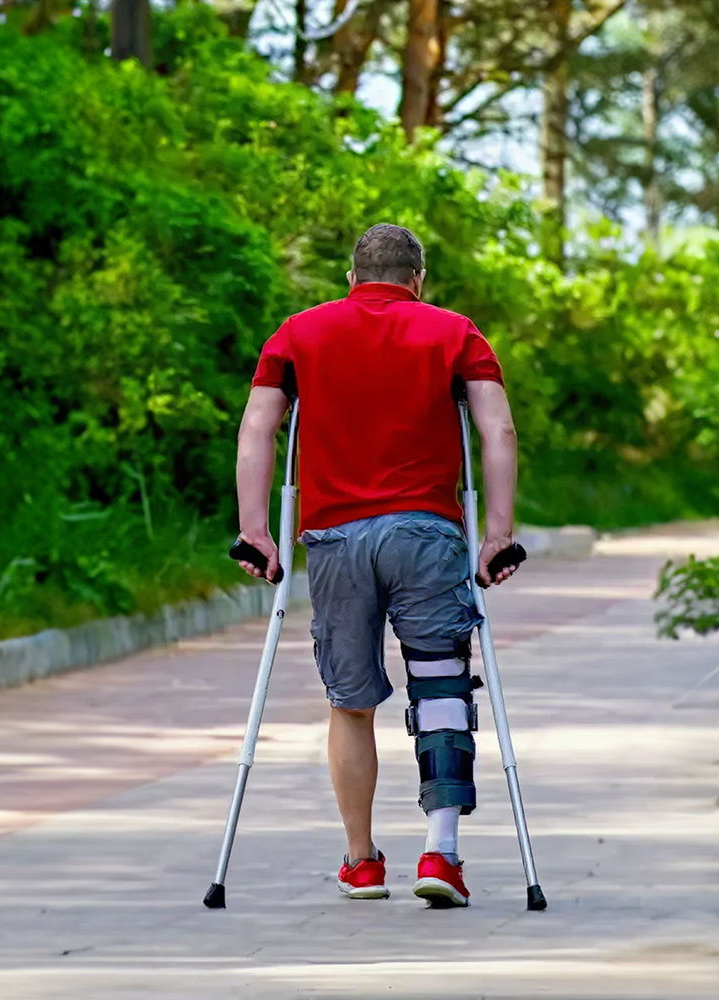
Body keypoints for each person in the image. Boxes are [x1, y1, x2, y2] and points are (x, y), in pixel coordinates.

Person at [234, 223, 520, 908]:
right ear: (417, 279)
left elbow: (257, 427)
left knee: (351, 702)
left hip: (334, 539)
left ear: (351, 278)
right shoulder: (455, 332)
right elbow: (497, 428)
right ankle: (441, 855)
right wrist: (499, 535)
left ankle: (361, 862)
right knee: (441, 685)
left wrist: (255, 534)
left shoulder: (298, 333)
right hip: (427, 534)